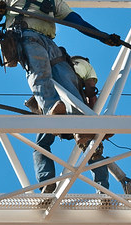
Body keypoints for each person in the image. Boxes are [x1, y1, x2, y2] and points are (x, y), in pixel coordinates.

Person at [0, 0, 119, 191]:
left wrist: (102, 36)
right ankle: (50, 108)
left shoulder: (52, 0)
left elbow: (76, 21)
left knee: (68, 79)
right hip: (25, 36)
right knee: (39, 69)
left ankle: (82, 126)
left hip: (50, 43)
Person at [25, 54, 110, 193]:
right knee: (93, 147)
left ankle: (46, 182)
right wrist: (94, 119)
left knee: (41, 145)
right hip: (75, 107)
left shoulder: (54, 63)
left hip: (52, 106)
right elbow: (91, 92)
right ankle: (102, 189)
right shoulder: (85, 66)